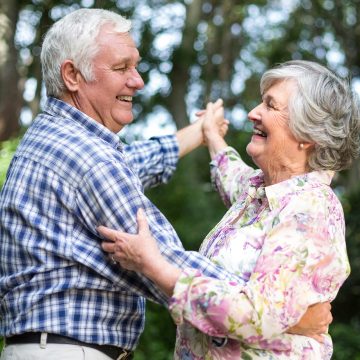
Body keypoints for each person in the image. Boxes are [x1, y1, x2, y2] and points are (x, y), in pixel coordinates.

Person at [0, 9, 330, 360]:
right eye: (121, 68)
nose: (138, 80)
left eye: (135, 66)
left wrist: (204, 136)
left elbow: (132, 163)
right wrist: (280, 312)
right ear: (72, 75)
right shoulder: (87, 158)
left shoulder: (59, 138)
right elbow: (164, 260)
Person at [99, 60, 360, 359]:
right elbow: (231, 174)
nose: (253, 113)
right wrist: (211, 135)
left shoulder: (309, 209)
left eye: (270, 105)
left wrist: (155, 268)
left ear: (307, 135)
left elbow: (258, 316)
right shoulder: (260, 193)